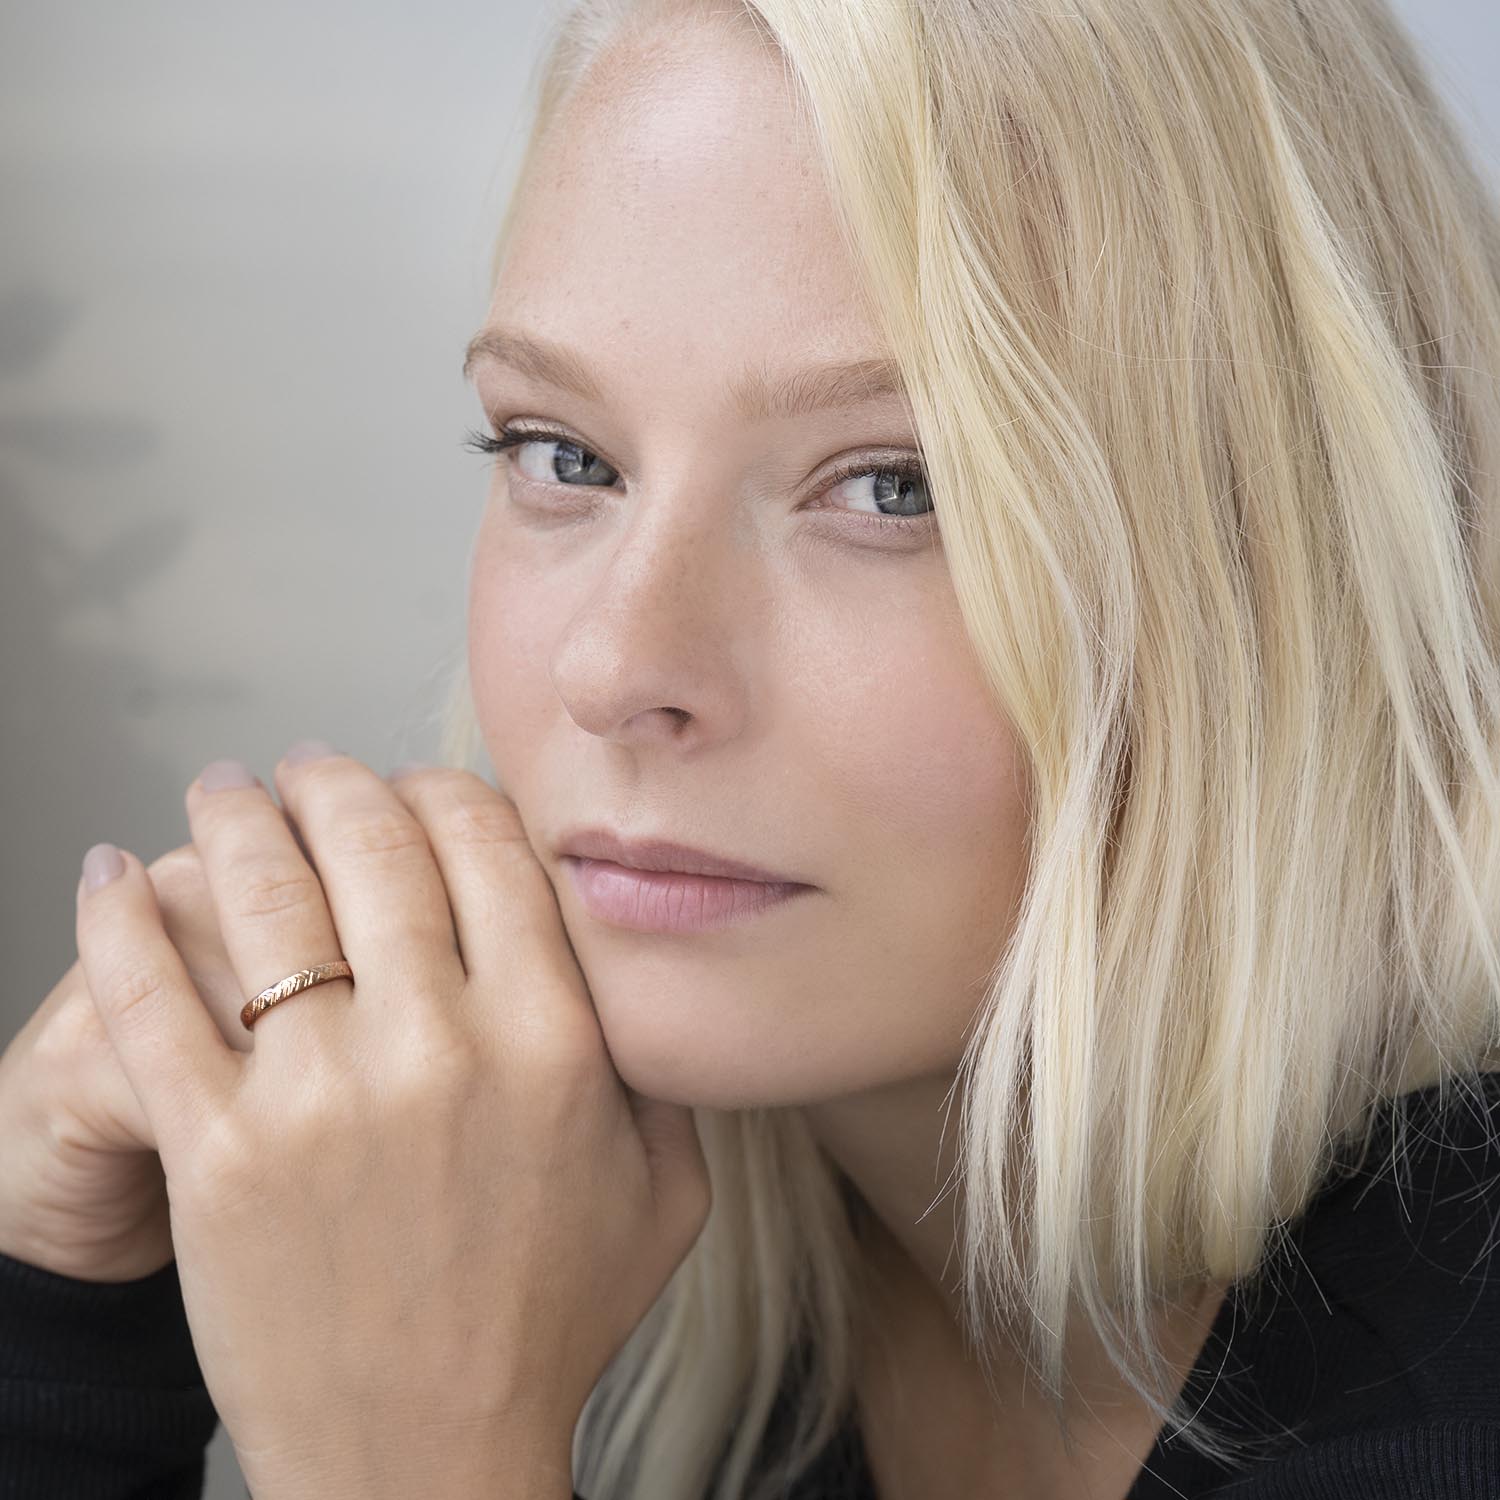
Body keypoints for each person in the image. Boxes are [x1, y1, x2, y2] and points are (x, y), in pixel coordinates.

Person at [2, 0, 1499, 1496]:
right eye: (563, 456)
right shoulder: (561, 1272)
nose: (617, 668)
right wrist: (53, 1331)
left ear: (1295, 572)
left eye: (895, 489)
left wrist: (417, 1450)